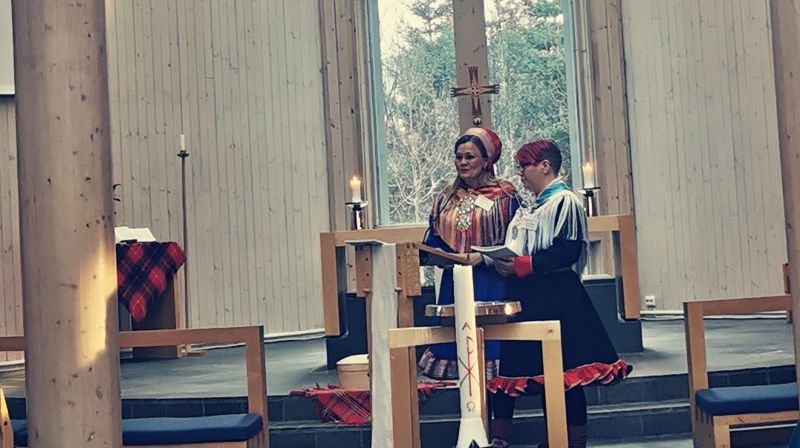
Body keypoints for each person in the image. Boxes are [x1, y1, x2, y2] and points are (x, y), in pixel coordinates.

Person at [489, 140, 632, 448]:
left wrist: (521, 265)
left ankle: (571, 439)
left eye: (524, 166)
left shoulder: (565, 200)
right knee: (522, 369)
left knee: (564, 373)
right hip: (527, 295)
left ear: (545, 166)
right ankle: (502, 438)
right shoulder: (533, 206)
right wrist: (504, 263)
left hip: (556, 296)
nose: (521, 173)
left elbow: (566, 251)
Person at [418, 127, 520, 380]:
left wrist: (484, 257)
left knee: (488, 341)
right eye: (458, 156)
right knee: (457, 339)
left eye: (470, 156)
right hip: (456, 279)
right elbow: (434, 237)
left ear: (486, 160)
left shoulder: (505, 195)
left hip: (491, 280)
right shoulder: (446, 197)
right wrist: (440, 255)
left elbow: (518, 239)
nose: (462, 162)